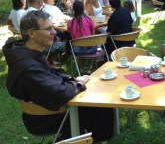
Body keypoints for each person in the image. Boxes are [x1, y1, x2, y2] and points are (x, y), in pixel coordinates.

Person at [2, 11, 114, 142]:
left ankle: (71, 137)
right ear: (31, 33)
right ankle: (92, 139)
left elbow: (48, 80)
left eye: (53, 27)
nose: (54, 32)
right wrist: (78, 84)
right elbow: (58, 92)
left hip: (46, 106)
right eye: (48, 29)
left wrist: (73, 80)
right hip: (45, 118)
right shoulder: (28, 67)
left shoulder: (26, 52)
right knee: (102, 106)